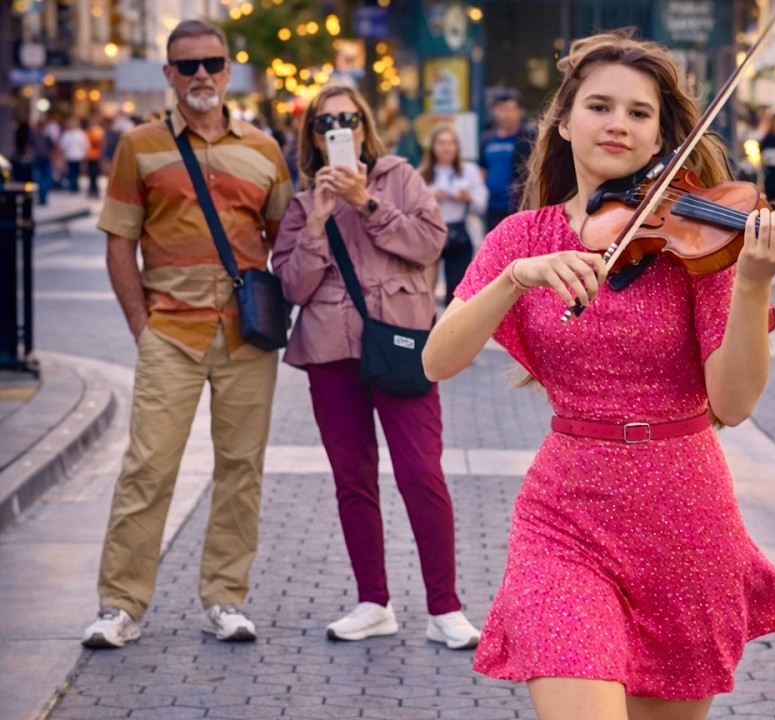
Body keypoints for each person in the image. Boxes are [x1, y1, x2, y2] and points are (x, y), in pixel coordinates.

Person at [421, 29, 775, 719]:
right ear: (565, 121)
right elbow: (438, 359)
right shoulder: (524, 239)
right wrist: (515, 279)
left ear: (662, 140)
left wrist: (752, 283)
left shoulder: (699, 249)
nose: (618, 125)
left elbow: (734, 401)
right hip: (564, 514)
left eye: (639, 113)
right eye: (600, 106)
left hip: (685, 517)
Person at [82, 19, 294, 649]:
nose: (201, 74)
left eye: (212, 62)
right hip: (169, 332)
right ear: (169, 74)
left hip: (245, 339)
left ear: (229, 70)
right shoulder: (139, 146)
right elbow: (119, 242)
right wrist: (140, 326)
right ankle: (120, 605)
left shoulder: (264, 149)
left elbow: (286, 240)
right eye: (188, 65)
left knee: (241, 469)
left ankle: (226, 598)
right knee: (147, 468)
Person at [272, 86, 482, 648]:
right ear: (312, 135)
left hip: (401, 341)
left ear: (364, 126)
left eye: (349, 117)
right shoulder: (299, 203)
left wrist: (367, 202)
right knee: (353, 480)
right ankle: (374, 602)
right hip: (329, 349)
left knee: (421, 471)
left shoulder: (401, 178)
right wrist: (317, 222)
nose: (339, 127)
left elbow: (430, 243)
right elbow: (291, 285)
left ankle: (445, 607)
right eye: (326, 122)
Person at [421, 124, 488, 306]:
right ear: (433, 147)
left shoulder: (469, 171)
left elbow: (481, 204)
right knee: (426, 291)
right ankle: (427, 330)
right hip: (430, 232)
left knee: (457, 291)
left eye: (451, 143)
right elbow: (411, 208)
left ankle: (450, 331)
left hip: (459, 232)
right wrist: (430, 198)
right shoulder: (421, 175)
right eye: (441, 143)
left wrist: (467, 198)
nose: (446, 147)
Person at [480, 88, 536, 232]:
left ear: (520, 111)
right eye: (502, 109)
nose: (507, 114)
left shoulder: (529, 137)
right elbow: (482, 169)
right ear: (493, 111)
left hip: (519, 206)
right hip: (491, 207)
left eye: (512, 109)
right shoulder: (486, 139)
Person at [59, 116, 88, 193]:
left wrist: (84, 155)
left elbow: (85, 145)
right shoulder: (67, 134)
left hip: (78, 156)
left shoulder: (81, 134)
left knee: (76, 172)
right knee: (71, 172)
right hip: (70, 156)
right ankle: (73, 186)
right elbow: (63, 147)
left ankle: (74, 186)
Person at [85, 116, 105, 198]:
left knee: (92, 173)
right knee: (94, 173)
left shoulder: (91, 131)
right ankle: (93, 189)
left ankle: (93, 189)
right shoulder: (97, 131)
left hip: (93, 154)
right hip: (94, 154)